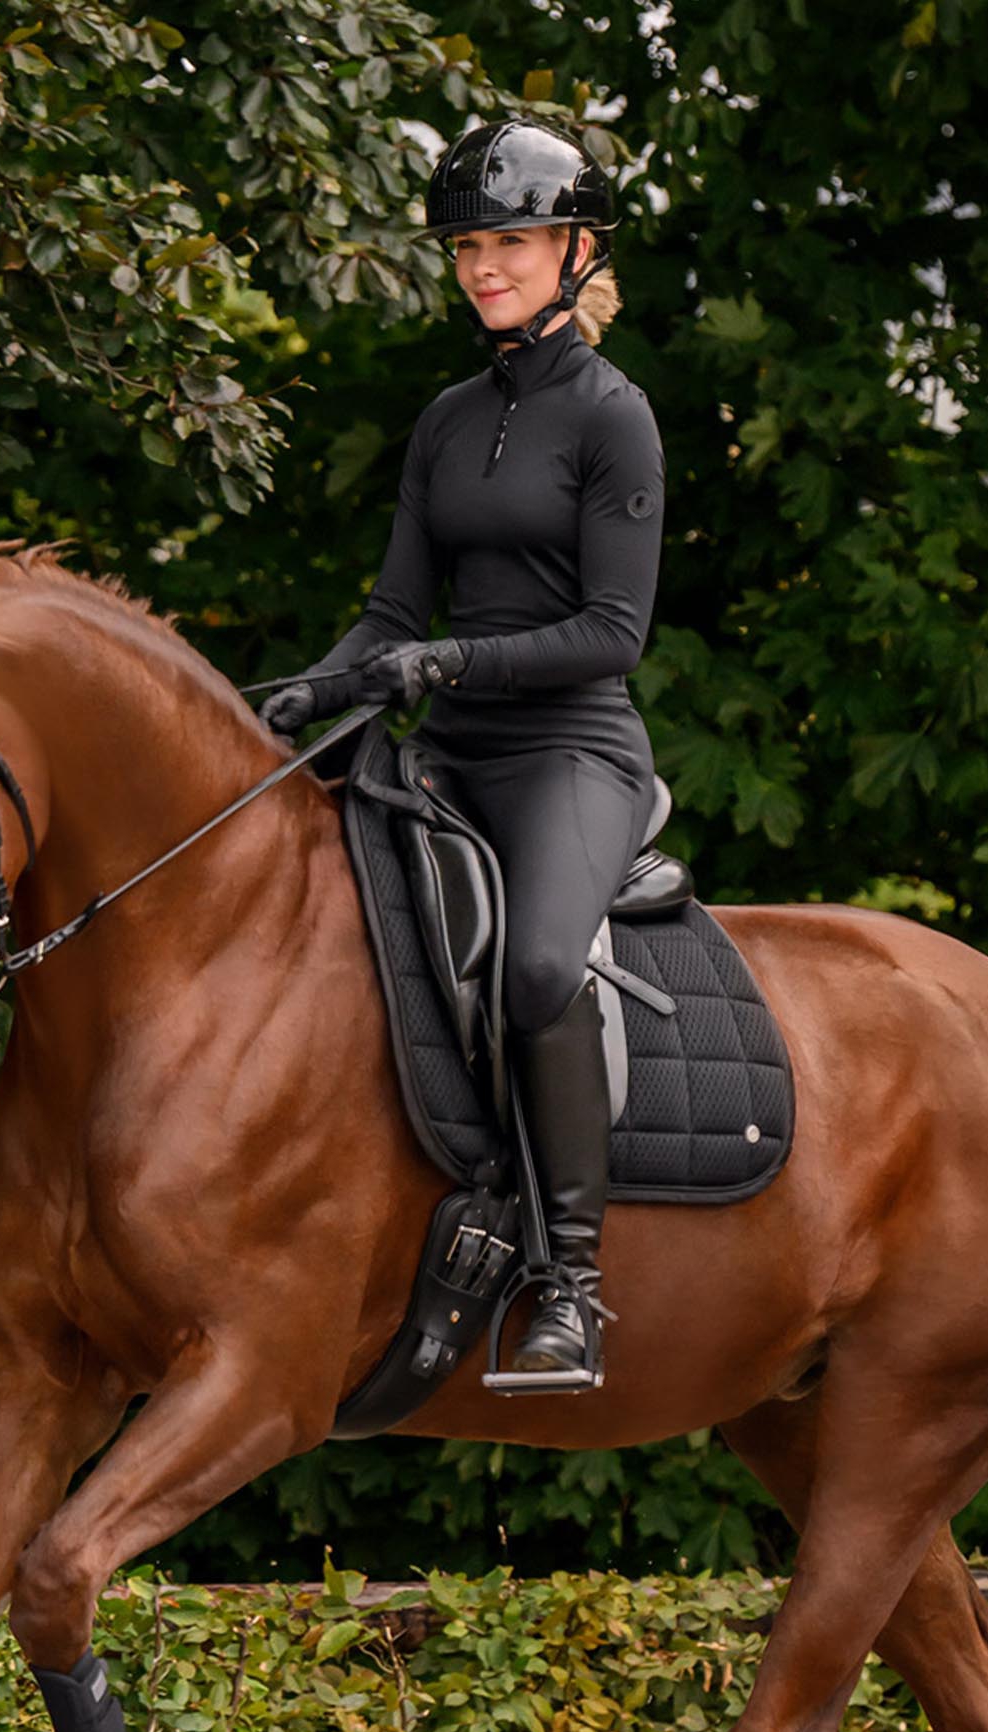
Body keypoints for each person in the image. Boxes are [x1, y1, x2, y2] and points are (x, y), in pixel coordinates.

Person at [262, 119, 664, 1387]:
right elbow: (390, 615)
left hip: (569, 751)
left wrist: (446, 665)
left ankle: (572, 1284)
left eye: (511, 242)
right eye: (469, 246)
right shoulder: (444, 421)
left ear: (575, 248)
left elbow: (612, 633)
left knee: (540, 969)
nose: (485, 266)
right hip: (445, 751)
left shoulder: (616, 418)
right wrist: (291, 698)